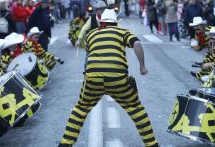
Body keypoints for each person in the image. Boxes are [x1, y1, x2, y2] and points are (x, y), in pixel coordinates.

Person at [58, 9, 158, 147]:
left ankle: (65, 144)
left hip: (93, 78)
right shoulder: (122, 32)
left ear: (101, 22)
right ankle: (152, 144)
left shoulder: (91, 34)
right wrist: (142, 66)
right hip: (117, 78)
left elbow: (89, 55)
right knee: (135, 107)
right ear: (116, 23)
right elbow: (137, 44)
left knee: (81, 108)